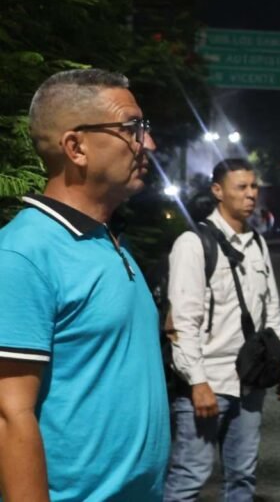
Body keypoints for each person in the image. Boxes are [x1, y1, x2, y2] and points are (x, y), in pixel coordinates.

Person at [0, 69, 169, 501]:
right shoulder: (23, 254)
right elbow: (8, 415)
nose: (148, 143)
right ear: (76, 147)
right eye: (132, 128)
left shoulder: (108, 240)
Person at [164, 158, 280, 501]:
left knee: (242, 478)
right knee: (189, 476)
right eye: (242, 187)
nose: (251, 194)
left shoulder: (257, 243)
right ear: (218, 191)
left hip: (250, 381)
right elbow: (182, 324)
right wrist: (197, 382)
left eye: (254, 187)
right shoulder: (193, 245)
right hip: (208, 381)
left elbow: (271, 311)